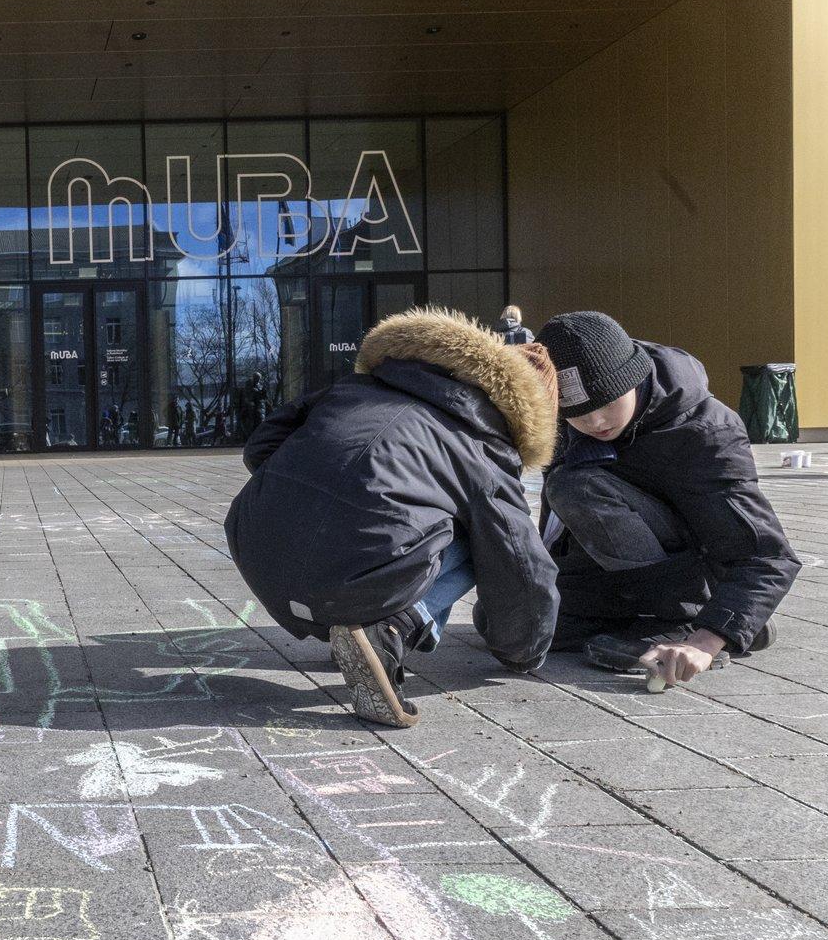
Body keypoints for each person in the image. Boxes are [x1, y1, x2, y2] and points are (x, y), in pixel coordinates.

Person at [226, 307, 559, 727]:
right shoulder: (485, 447)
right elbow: (522, 568)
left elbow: (260, 447)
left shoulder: (355, 386)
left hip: (256, 548)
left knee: (406, 518)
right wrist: (525, 650)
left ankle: (350, 625)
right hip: (345, 577)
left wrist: (314, 498)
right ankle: (395, 628)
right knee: (484, 534)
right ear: (528, 413)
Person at [534, 310, 797, 684]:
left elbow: (768, 555)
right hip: (608, 570)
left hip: (688, 578)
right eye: (576, 413)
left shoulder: (705, 430)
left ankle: (685, 622)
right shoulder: (568, 425)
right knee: (506, 626)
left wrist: (705, 641)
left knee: (575, 485)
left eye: (608, 403)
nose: (595, 423)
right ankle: (737, 622)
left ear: (633, 379)